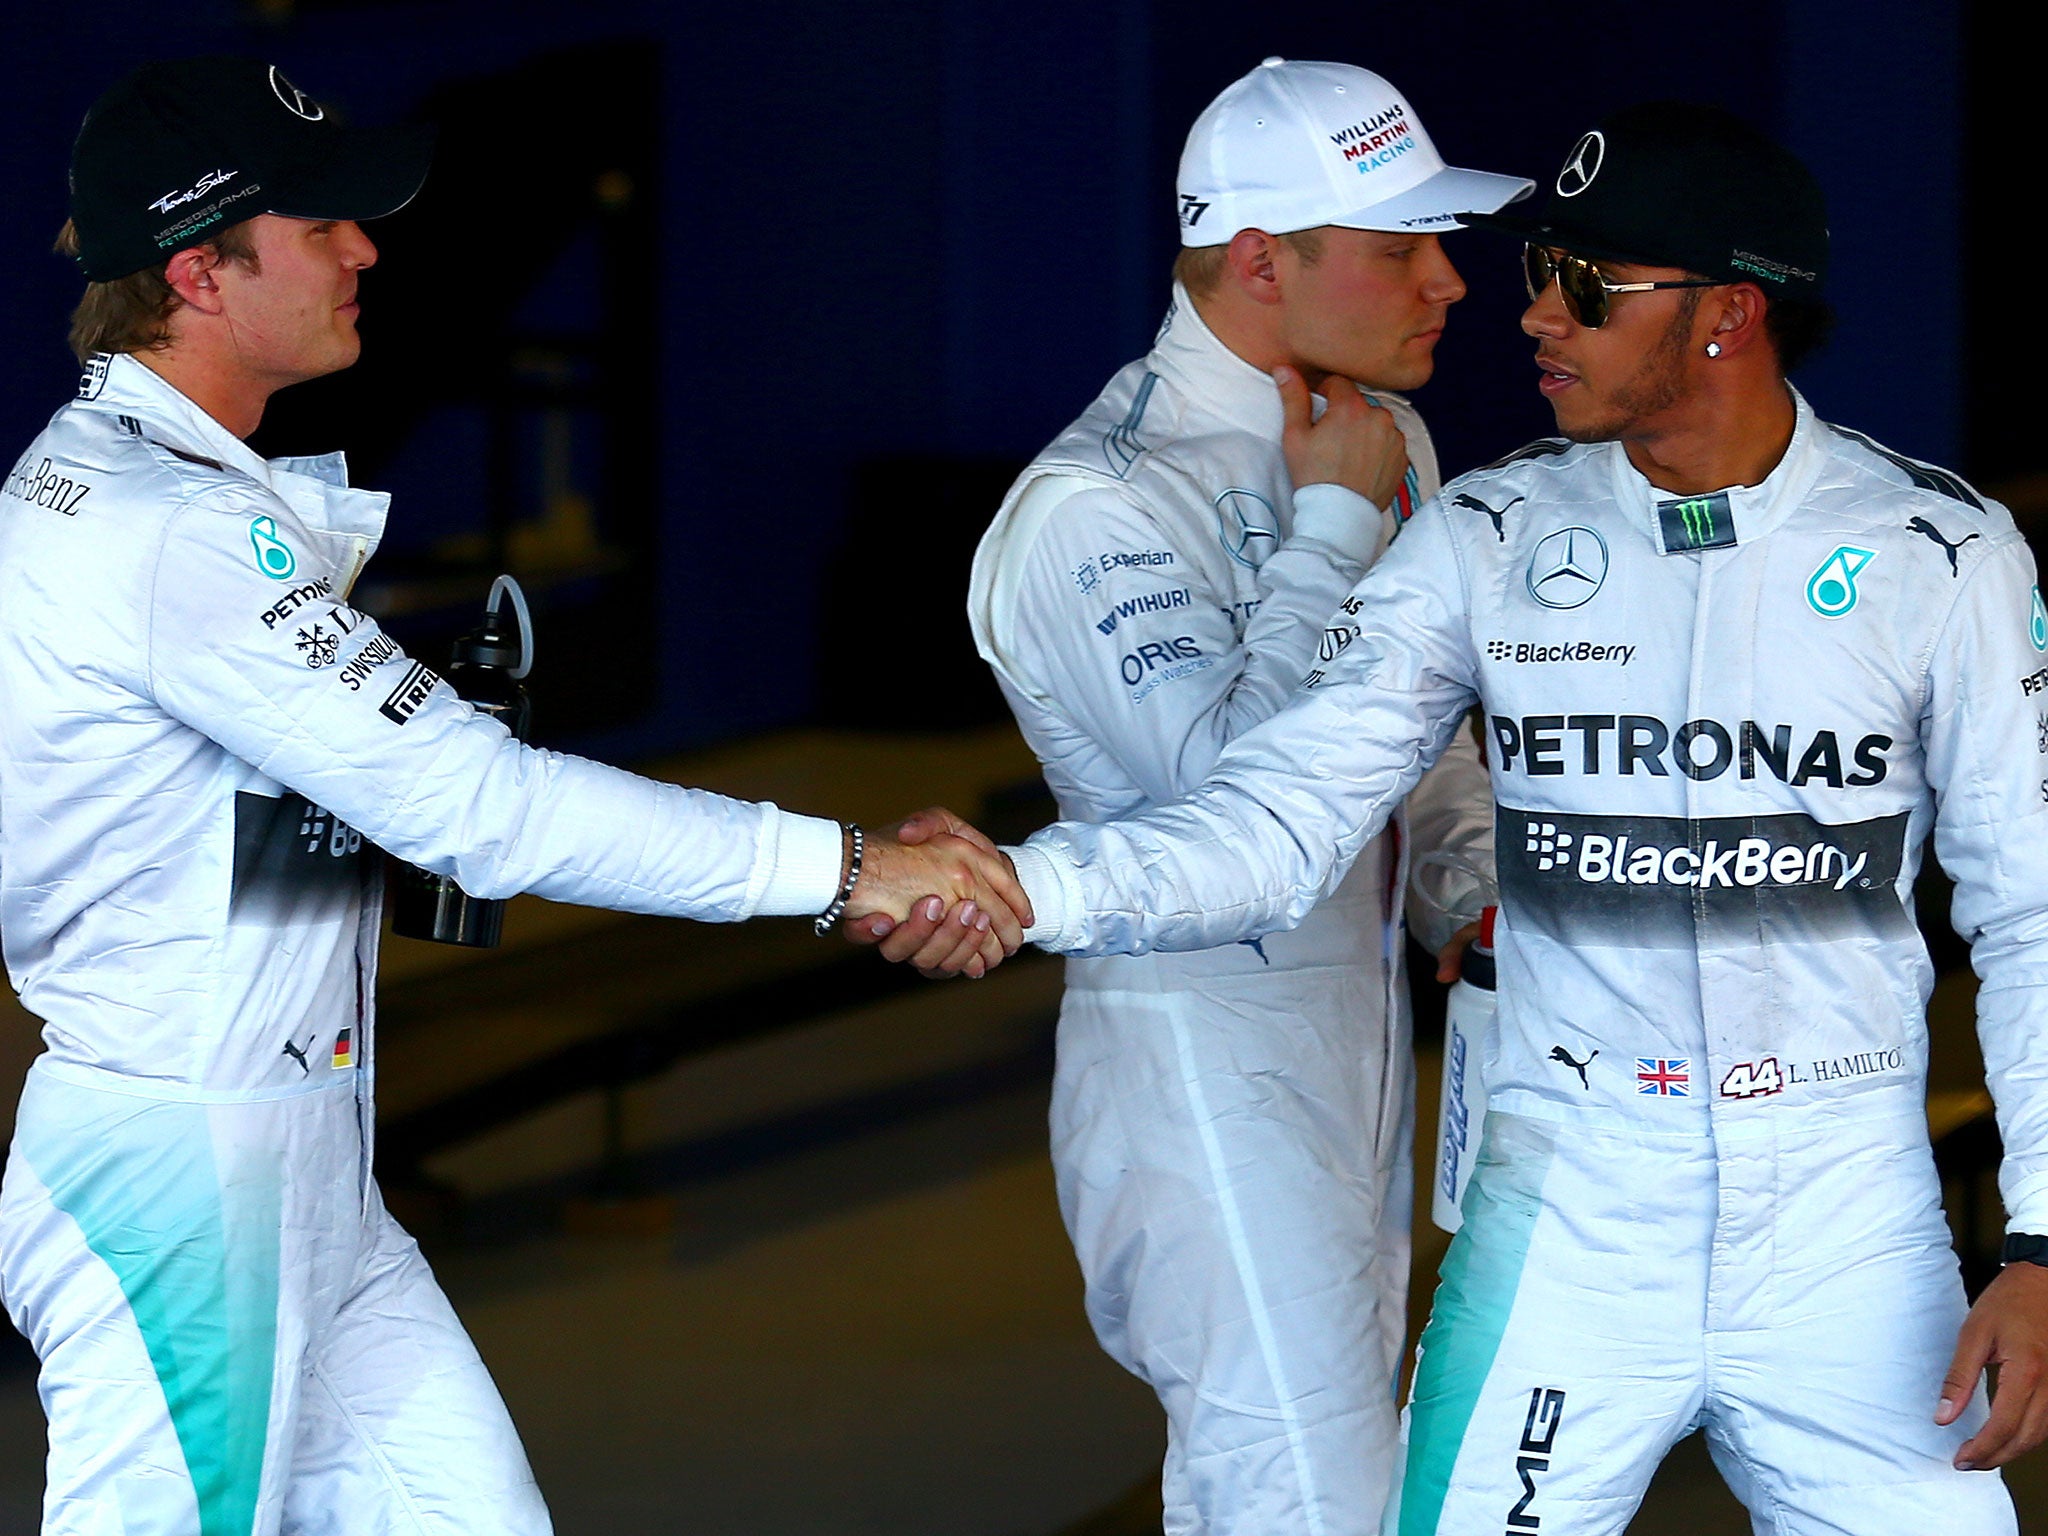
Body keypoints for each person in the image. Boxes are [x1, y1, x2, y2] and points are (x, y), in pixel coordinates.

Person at [880, 104, 2048, 1532]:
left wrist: (2044, 1243)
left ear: (1731, 312)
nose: (1531, 313)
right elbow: (1277, 811)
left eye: (1588, 285)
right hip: (1565, 1209)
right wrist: (1026, 885)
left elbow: (2032, 904)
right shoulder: (1483, 537)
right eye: (1537, 268)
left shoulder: (1943, 552)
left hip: (1850, 1218)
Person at [0, 58, 1022, 1536]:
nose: (366, 249)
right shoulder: (172, 526)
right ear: (196, 274)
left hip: (304, 1167)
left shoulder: (151, 489)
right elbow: (487, 813)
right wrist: (848, 867)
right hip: (188, 1185)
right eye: (321, 225)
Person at [961, 58, 1521, 1536]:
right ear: (1266, 260)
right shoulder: (1099, 504)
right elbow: (1238, 822)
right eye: (1401, 246)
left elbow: (1423, 728)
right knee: (1302, 1502)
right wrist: (1330, 529)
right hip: (1199, 1073)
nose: (1451, 282)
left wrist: (1469, 889)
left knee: (1355, 1489)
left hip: (1356, 1047)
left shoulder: (1382, 434)